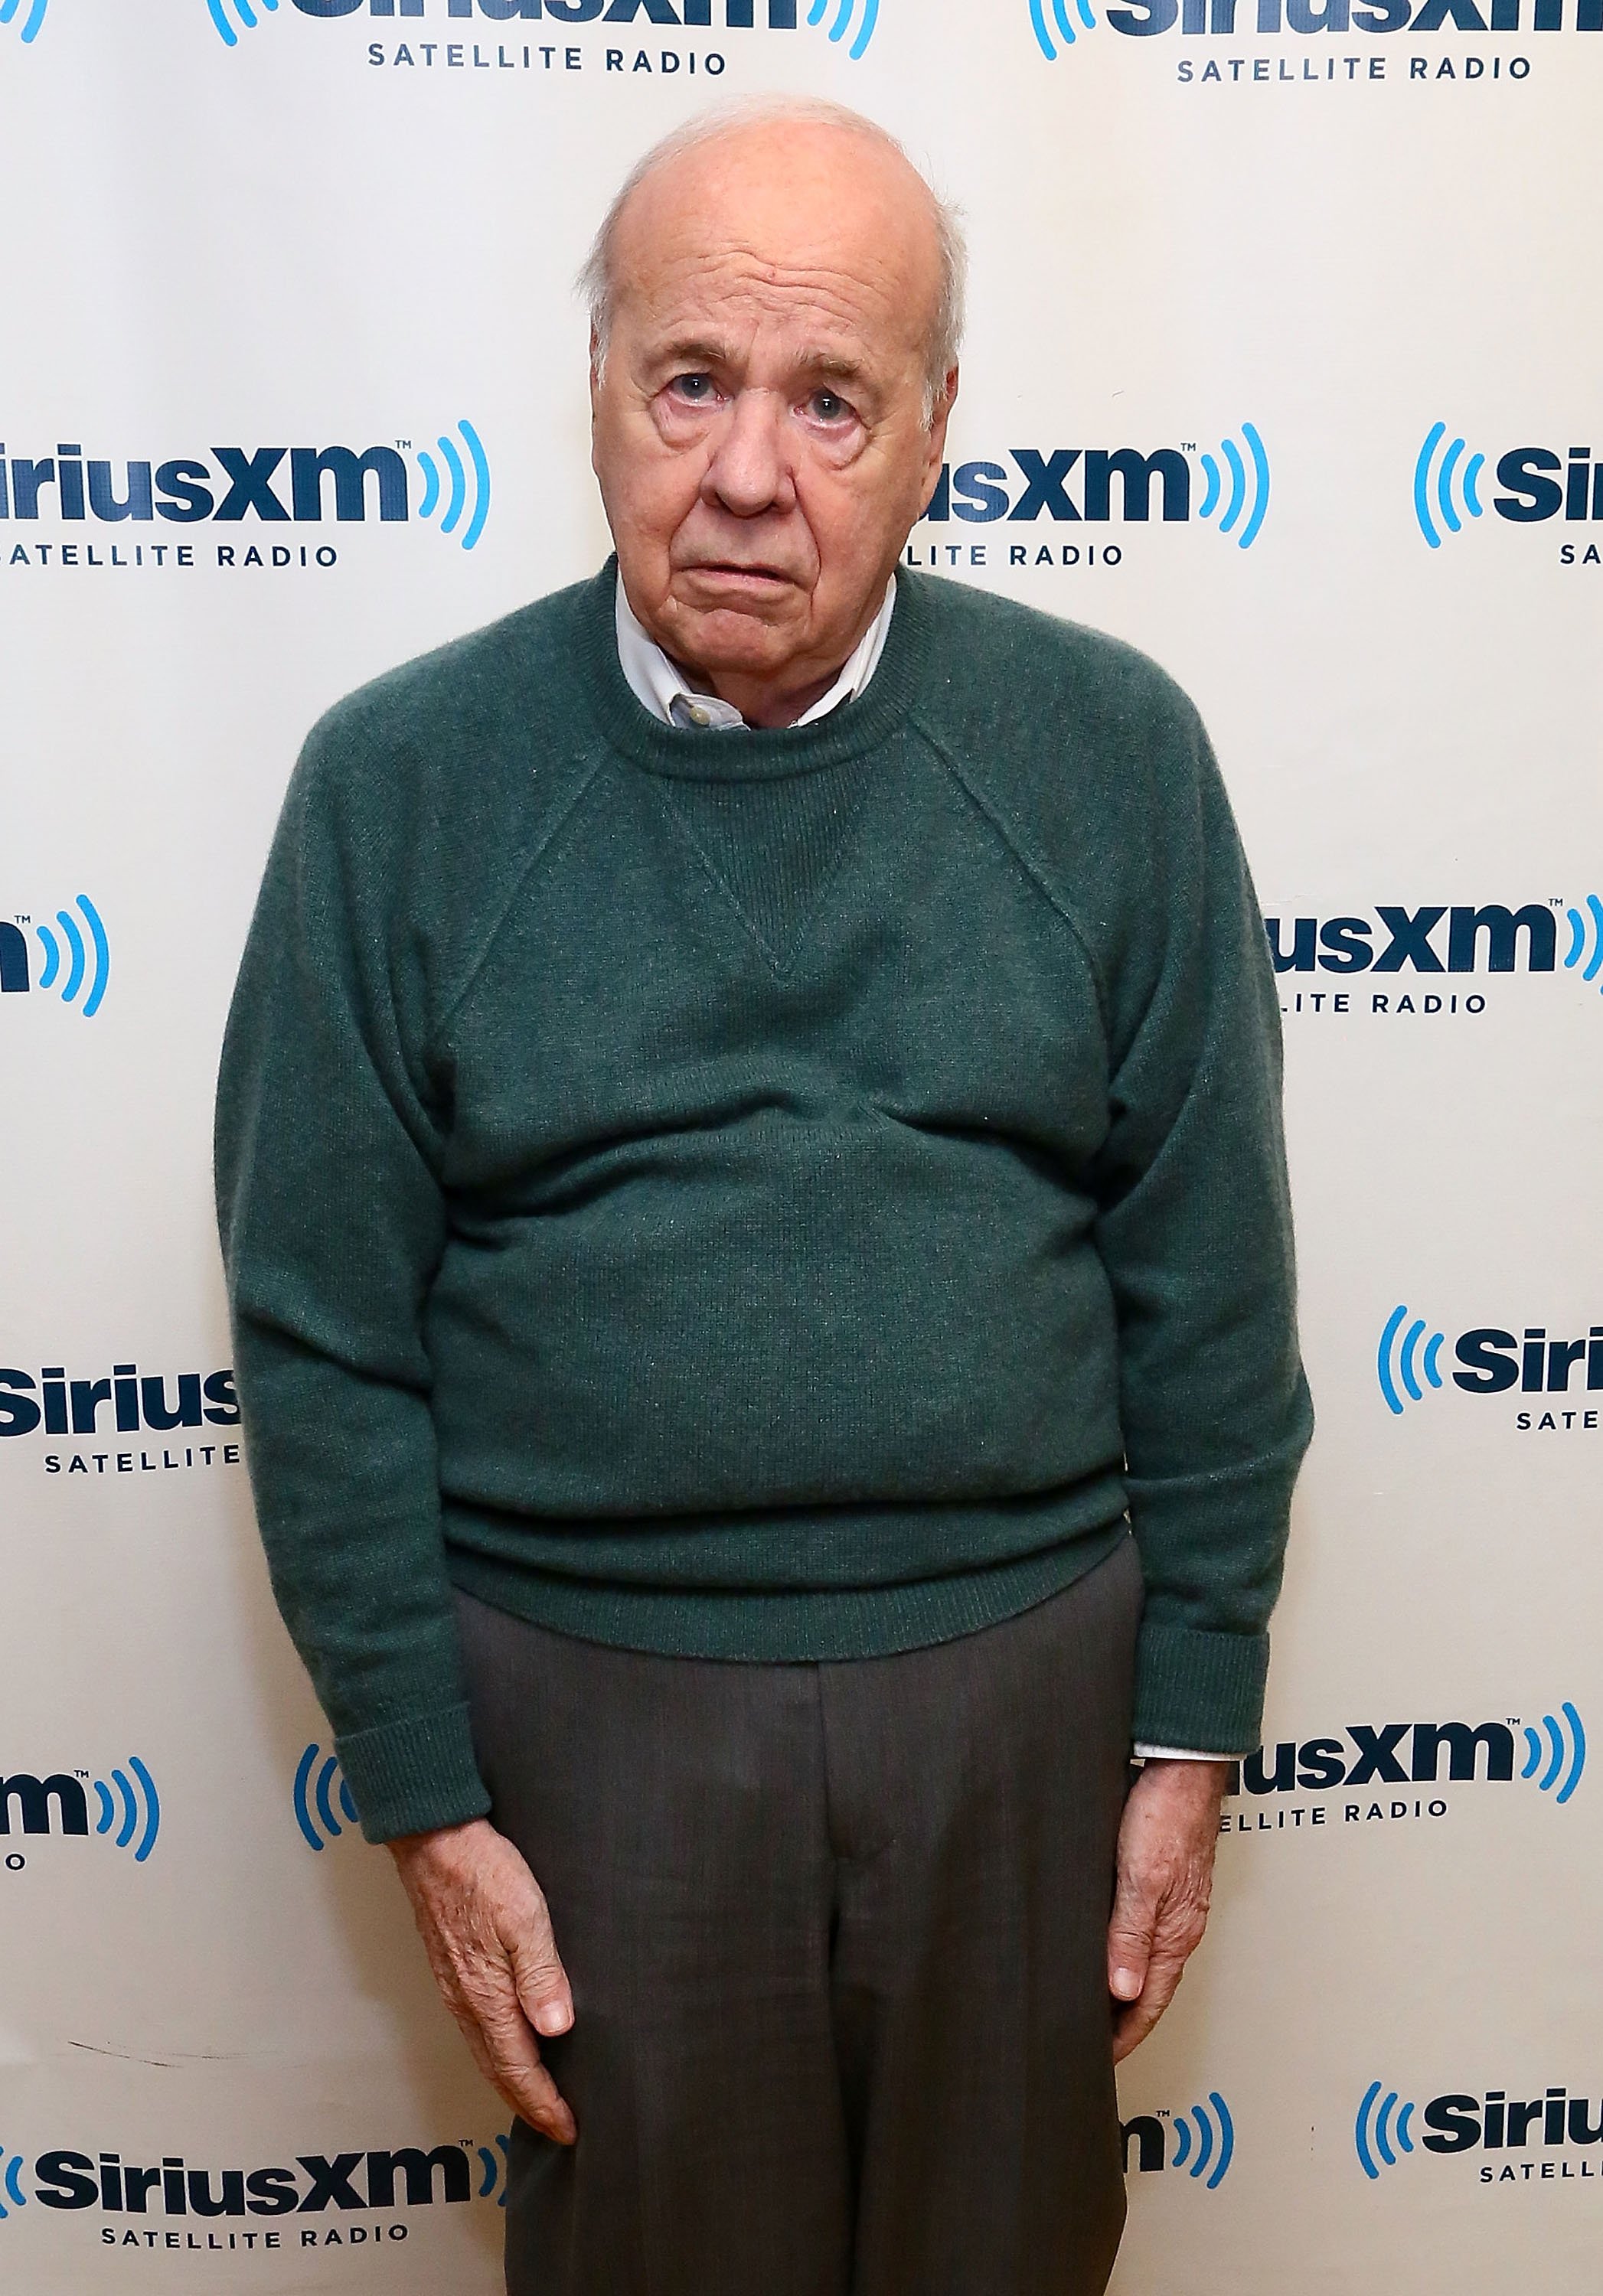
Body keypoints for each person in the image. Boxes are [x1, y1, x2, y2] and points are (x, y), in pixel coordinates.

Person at [214, 95, 1312, 2296]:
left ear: (938, 436)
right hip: (591, 1726)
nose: (744, 476)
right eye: (689, 381)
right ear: (595, 389)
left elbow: (1211, 1293)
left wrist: (1187, 1737)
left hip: (1021, 1706)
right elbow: (324, 1336)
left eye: (833, 402)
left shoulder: (1113, 757)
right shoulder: (396, 787)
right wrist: (429, 1801)